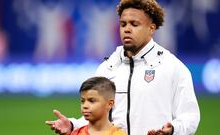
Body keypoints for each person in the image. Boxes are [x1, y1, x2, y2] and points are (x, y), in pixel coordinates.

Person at [46, 0, 200, 135]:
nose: (127, 29)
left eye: (134, 24)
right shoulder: (107, 68)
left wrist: (173, 129)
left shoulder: (172, 67)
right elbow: (97, 116)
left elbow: (190, 117)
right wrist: (73, 125)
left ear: (151, 28)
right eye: (123, 24)